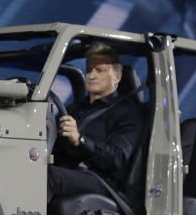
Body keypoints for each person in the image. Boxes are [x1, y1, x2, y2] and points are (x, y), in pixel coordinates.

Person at [48, 43, 141, 203]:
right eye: (89, 70)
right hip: (68, 170)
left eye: (100, 71)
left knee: (46, 177)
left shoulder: (128, 113)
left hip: (100, 180)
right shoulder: (76, 107)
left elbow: (117, 159)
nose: (91, 76)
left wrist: (80, 140)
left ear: (117, 76)